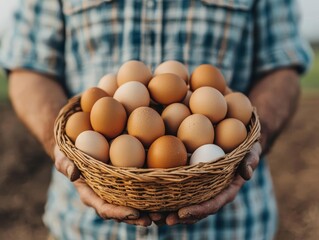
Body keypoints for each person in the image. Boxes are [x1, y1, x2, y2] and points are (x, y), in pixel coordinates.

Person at [0, 0, 312, 239]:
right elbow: (30, 66)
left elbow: (281, 64)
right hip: (84, 227)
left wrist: (252, 141)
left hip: (234, 224)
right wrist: (61, 147)